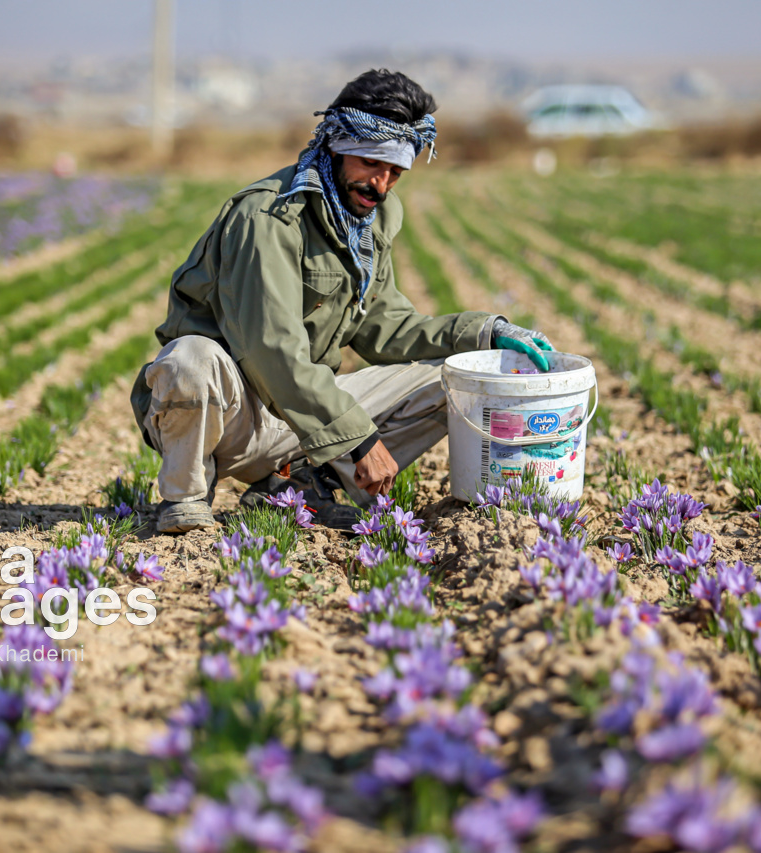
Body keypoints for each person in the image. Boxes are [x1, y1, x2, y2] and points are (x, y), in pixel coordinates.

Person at [130, 69, 553, 533]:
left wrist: (485, 332)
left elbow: (385, 325)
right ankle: (185, 498)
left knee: (454, 382)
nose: (381, 184)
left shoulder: (370, 216)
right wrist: (358, 439)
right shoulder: (268, 218)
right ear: (336, 144)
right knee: (190, 359)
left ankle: (294, 485)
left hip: (293, 415)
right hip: (229, 412)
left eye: (395, 171)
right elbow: (271, 350)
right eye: (372, 164)